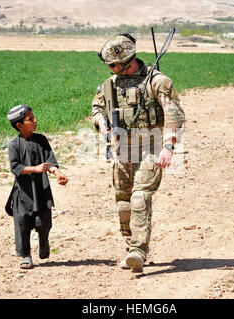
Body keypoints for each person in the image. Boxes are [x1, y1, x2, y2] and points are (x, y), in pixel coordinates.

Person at [91, 33, 185, 272]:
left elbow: (174, 115)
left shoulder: (157, 81)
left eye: (113, 64)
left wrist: (168, 146)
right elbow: (96, 110)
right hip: (122, 149)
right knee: (123, 203)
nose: (110, 69)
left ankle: (138, 251)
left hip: (151, 146)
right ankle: (129, 247)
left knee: (140, 197)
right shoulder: (109, 85)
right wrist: (103, 126)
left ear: (127, 60)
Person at [5, 104, 68, 269]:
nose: (35, 121)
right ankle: (25, 255)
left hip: (41, 189)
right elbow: (15, 167)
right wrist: (36, 169)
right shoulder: (14, 145)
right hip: (23, 192)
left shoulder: (41, 140)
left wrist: (57, 173)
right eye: (30, 119)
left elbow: (50, 160)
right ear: (19, 126)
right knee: (22, 224)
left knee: (43, 222)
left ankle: (43, 239)